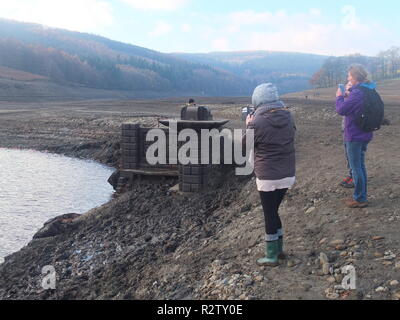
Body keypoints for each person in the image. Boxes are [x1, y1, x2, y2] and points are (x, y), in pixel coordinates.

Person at [246, 83, 296, 267]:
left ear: (258, 100)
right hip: (287, 173)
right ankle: (279, 250)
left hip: (267, 175)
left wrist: (248, 125)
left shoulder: (257, 122)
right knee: (274, 211)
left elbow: (245, 146)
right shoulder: (288, 116)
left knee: (269, 214)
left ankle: (271, 255)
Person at [336, 64, 375, 208]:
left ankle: (359, 199)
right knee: (360, 165)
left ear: (356, 77)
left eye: (349, 76)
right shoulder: (367, 89)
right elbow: (356, 106)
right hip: (365, 133)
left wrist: (339, 97)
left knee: (355, 168)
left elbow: (341, 109)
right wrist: (348, 95)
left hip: (354, 134)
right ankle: (362, 196)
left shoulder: (357, 93)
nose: (348, 78)